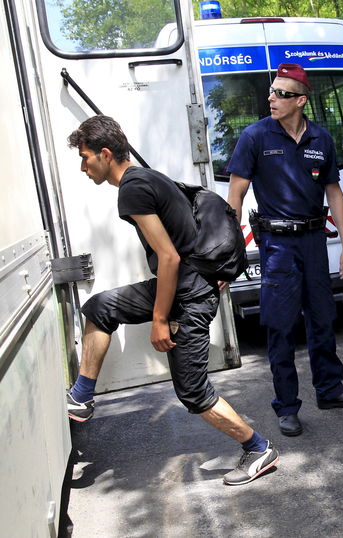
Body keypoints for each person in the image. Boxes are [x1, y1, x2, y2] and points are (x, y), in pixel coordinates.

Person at [64, 115, 276, 486]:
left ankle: (258, 448)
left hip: (188, 296)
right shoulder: (147, 177)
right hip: (185, 285)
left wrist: (160, 319)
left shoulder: (132, 188)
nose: (83, 167)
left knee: (193, 392)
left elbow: (169, 257)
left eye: (85, 158)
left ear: (105, 153)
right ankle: (82, 397)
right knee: (101, 306)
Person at [226, 63, 343, 438]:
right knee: (281, 326)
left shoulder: (321, 139)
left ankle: (330, 389)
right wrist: (229, 247)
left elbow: (334, 193)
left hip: (313, 241)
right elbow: (236, 194)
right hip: (276, 246)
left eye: (281, 94)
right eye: (272, 92)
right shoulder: (255, 137)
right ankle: (287, 406)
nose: (271, 98)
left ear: (301, 101)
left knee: (323, 318)